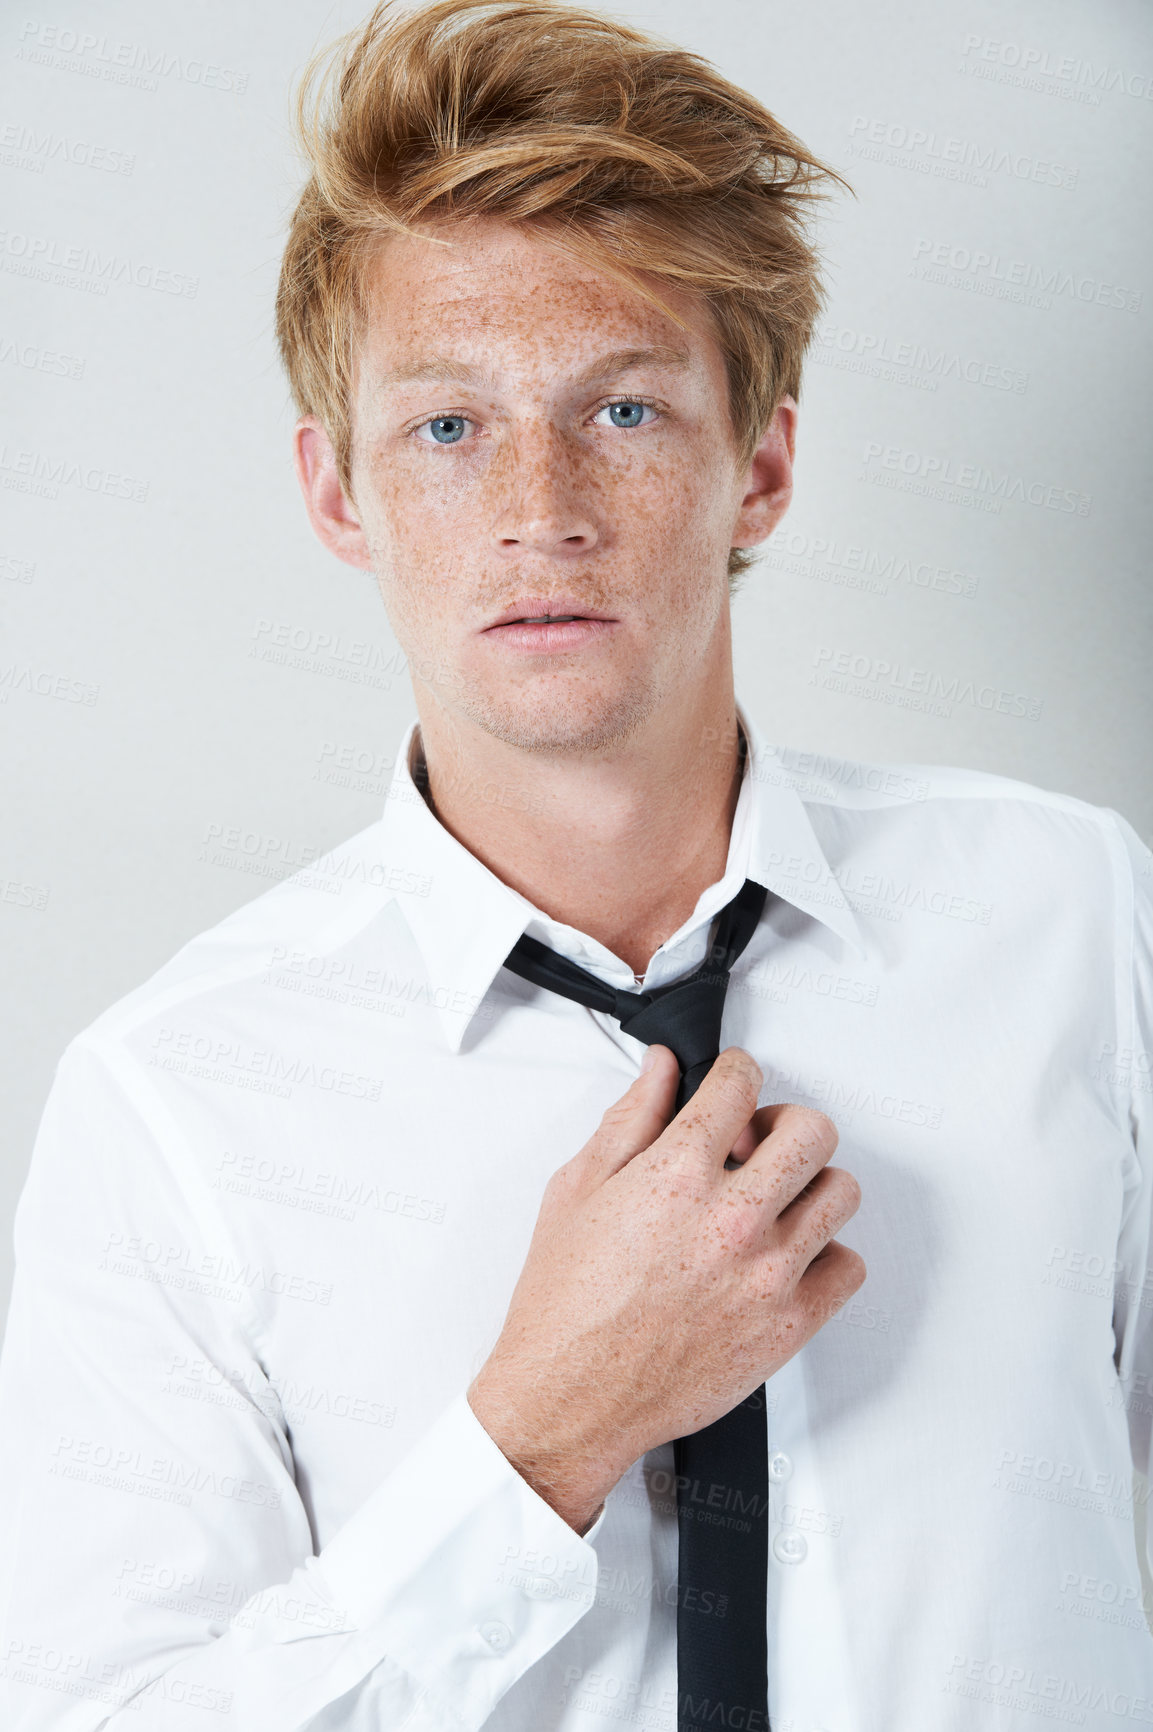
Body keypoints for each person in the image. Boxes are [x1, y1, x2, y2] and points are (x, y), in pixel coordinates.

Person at [1, 0, 1151, 1727]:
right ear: (339, 495)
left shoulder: (1076, 918)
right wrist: (542, 1434)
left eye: (621, 410)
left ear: (757, 464)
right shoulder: (173, 1104)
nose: (540, 504)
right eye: (447, 428)